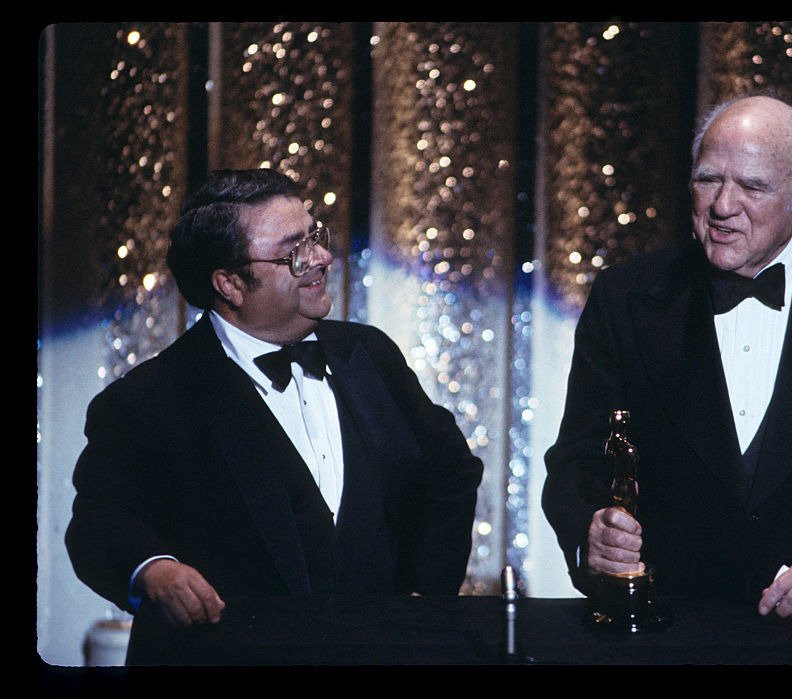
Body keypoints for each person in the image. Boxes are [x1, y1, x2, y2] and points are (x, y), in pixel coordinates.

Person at [542, 95, 792, 662]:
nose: (723, 206)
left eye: (753, 187)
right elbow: (576, 460)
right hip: (665, 635)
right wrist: (591, 531)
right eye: (708, 179)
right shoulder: (627, 296)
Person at [65, 169, 484, 660]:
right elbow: (98, 524)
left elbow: (451, 471)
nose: (323, 258)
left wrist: (425, 595)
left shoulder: (370, 354)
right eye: (295, 252)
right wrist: (153, 570)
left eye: (316, 237)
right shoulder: (147, 400)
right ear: (230, 284)